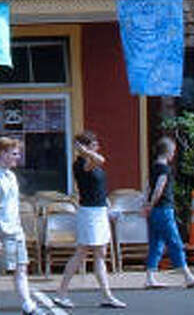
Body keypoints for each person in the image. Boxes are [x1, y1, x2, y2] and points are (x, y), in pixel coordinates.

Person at [54, 131, 126, 308]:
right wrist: (83, 151)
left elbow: (99, 187)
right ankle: (62, 294)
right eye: (94, 145)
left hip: (99, 211)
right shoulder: (81, 164)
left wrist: (108, 207)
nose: (98, 147)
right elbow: (100, 159)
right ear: (86, 148)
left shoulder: (93, 163)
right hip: (89, 214)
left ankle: (106, 296)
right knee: (81, 254)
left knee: (100, 254)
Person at [0, 136, 38, 315]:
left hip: (16, 230)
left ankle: (27, 304)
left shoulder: (11, 176)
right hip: (1, 231)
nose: (17, 157)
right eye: (14, 153)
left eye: (18, 153)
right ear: (2, 154)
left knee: (21, 268)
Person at [143, 136, 194, 290]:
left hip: (153, 212)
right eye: (173, 152)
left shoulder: (153, 168)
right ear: (168, 152)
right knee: (175, 242)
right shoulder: (165, 169)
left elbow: (147, 187)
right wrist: (152, 204)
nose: (173, 155)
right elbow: (159, 188)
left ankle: (150, 277)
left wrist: (146, 205)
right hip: (164, 209)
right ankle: (187, 276)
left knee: (156, 243)